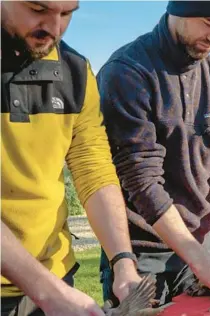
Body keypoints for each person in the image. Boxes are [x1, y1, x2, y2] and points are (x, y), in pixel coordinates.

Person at [97, 0, 210, 307]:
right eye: (209, 23)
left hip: (199, 244)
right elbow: (142, 181)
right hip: (140, 255)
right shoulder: (128, 72)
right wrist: (199, 260)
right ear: (178, 9)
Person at [1, 1, 142, 316]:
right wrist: (47, 291)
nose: (54, 29)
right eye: (38, 9)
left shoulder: (75, 71)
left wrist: (122, 260)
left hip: (53, 276)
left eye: (67, 14)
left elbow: (93, 168)